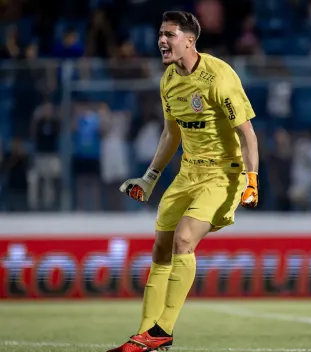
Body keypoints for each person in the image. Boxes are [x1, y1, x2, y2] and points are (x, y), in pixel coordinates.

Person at [108, 11, 259, 352]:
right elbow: (170, 133)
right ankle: (145, 336)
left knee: (184, 239)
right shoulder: (168, 81)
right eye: (160, 33)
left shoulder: (219, 77)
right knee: (160, 249)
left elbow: (248, 133)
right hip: (187, 173)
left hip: (224, 173)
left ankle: (163, 330)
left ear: (190, 40)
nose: (162, 40)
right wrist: (150, 178)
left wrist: (252, 181)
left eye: (170, 34)